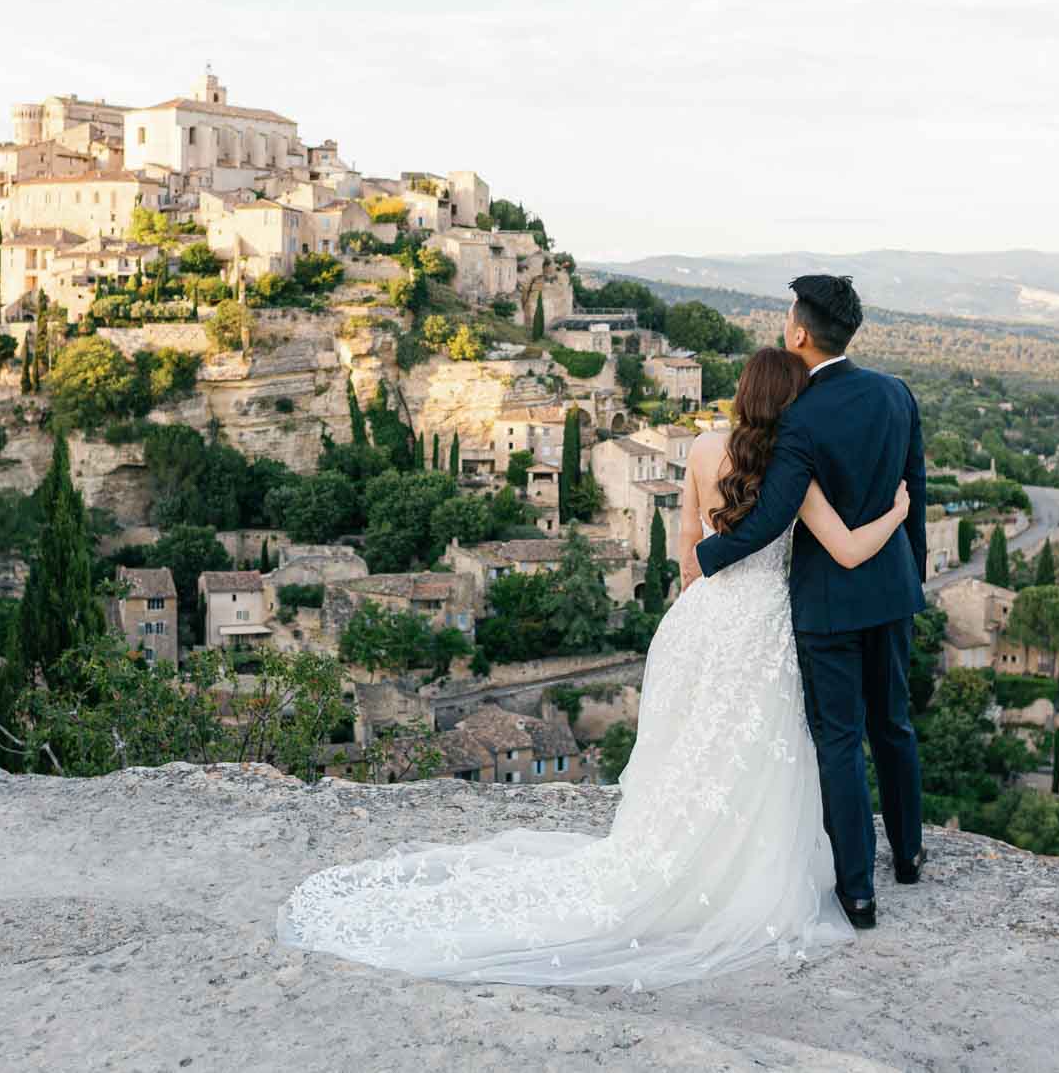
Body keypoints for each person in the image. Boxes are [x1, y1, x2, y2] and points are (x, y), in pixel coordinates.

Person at [276, 346, 909, 988]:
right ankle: (735, 868)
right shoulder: (795, 469)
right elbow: (850, 550)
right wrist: (898, 513)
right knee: (754, 748)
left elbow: (688, 545)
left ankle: (674, 854)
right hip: (763, 623)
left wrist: (699, 606)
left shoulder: (698, 450)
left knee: (690, 747)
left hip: (704, 619)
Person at [691, 274, 929, 931]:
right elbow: (917, 498)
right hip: (893, 591)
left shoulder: (799, 419)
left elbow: (771, 515)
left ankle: (858, 892)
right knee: (895, 725)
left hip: (829, 605)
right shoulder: (896, 394)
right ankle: (908, 855)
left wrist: (707, 557)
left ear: (799, 332)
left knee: (840, 741)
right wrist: (916, 576)